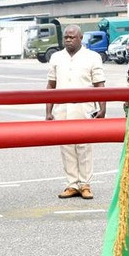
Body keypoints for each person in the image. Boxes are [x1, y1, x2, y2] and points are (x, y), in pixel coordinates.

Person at [44, 25, 106, 198]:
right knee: (66, 146)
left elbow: (99, 85)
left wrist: (103, 108)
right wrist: (48, 111)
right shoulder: (56, 57)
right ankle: (72, 184)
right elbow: (51, 85)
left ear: (80, 38)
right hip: (62, 109)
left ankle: (85, 184)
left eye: (72, 37)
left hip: (84, 108)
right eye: (66, 37)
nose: (68, 40)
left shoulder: (93, 57)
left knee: (84, 146)